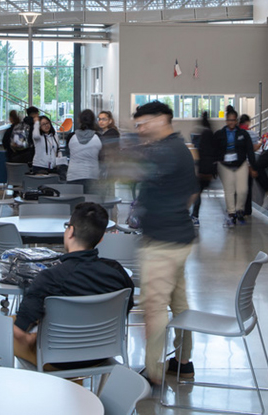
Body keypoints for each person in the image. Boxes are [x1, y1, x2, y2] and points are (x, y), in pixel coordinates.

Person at [12, 201, 133, 367]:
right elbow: (123, 311)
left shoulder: (50, 278)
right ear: (100, 238)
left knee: (2, 327)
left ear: (70, 231)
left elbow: (19, 332)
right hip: (103, 352)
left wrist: (32, 338)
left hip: (59, 359)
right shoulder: (118, 272)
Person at [129, 100, 199, 386]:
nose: (140, 129)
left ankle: (153, 372)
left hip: (163, 242)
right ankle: (183, 362)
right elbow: (190, 194)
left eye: (143, 123)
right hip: (177, 238)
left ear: (161, 119)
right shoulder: (177, 149)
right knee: (178, 303)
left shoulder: (167, 152)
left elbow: (135, 172)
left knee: (154, 307)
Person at [205, 107, 253, 226]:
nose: (231, 122)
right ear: (226, 121)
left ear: (236, 121)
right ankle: (231, 214)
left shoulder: (243, 134)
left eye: (233, 120)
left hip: (240, 164)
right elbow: (213, 151)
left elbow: (250, 150)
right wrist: (213, 167)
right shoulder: (219, 134)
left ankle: (239, 210)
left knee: (242, 190)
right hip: (224, 165)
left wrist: (253, 166)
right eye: (229, 120)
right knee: (229, 190)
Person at [64, 109, 104, 193]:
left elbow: (67, 153)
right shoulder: (99, 137)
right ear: (94, 121)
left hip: (73, 175)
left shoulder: (71, 137)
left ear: (79, 120)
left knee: (74, 203)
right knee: (91, 204)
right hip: (92, 176)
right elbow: (102, 158)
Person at [189, 111, 215, 224]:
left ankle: (194, 215)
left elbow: (202, 152)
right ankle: (194, 215)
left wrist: (199, 168)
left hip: (203, 169)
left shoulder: (204, 134)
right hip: (209, 169)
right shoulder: (210, 132)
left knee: (197, 192)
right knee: (198, 192)